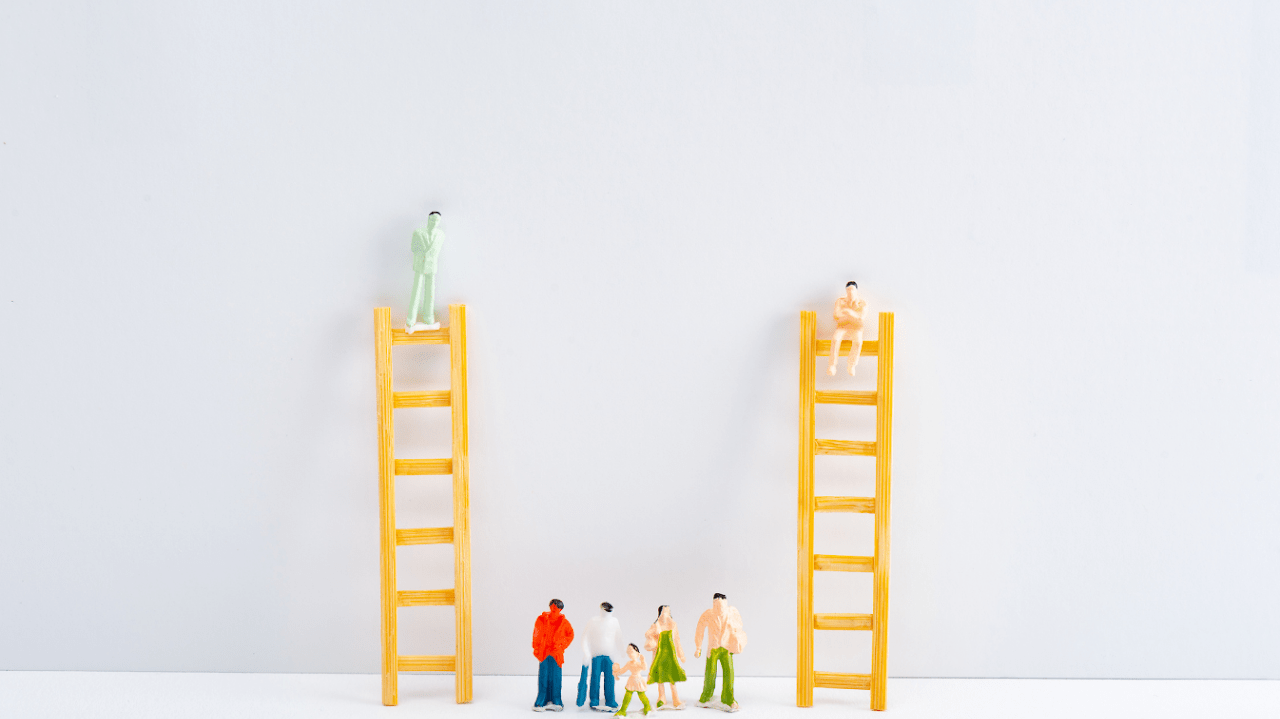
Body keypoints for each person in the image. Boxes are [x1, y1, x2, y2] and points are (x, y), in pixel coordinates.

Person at [691, 593, 747, 713]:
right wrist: (698, 647)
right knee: (710, 672)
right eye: (716, 605)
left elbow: (739, 627)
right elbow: (700, 629)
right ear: (713, 604)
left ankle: (728, 698)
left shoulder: (732, 613)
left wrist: (737, 641)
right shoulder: (709, 614)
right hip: (713, 648)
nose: (719, 608)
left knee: (729, 672)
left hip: (726, 648)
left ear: (725, 603)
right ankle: (706, 696)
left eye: (721, 605)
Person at [577, 602, 626, 712]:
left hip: (610, 656)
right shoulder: (593, 621)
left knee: (610, 678)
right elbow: (584, 637)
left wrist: (622, 651)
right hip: (596, 655)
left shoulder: (614, 621)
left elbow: (619, 637)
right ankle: (594, 699)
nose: (607, 612)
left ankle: (610, 699)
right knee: (595, 677)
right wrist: (586, 652)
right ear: (601, 609)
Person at [532, 599, 575, 712]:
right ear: (550, 606)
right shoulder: (541, 619)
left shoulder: (564, 622)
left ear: (560, 609)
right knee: (544, 675)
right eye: (553, 606)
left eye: (557, 607)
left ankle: (556, 698)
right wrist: (536, 648)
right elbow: (536, 633)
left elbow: (570, 634)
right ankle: (542, 698)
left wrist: (562, 645)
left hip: (556, 653)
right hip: (544, 652)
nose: (554, 609)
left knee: (556, 676)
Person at [406, 211, 445, 333]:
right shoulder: (418, 233)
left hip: (432, 265)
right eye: (432, 220)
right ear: (428, 219)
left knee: (430, 292)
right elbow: (413, 247)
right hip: (420, 264)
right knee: (416, 290)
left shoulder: (441, 235)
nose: (434, 223)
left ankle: (429, 318)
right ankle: (411, 319)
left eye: (437, 221)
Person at [644, 605, 687, 710]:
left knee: (672, 677)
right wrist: (653, 634)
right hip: (659, 656)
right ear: (660, 614)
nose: (665, 615)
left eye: (667, 612)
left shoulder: (672, 625)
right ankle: (661, 697)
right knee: (660, 678)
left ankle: (675, 697)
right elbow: (647, 633)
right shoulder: (656, 625)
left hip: (670, 656)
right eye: (664, 612)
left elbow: (677, 640)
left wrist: (681, 654)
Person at [827, 281, 867, 376]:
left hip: (856, 328)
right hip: (842, 326)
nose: (850, 291)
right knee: (835, 339)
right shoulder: (840, 301)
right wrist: (853, 316)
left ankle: (851, 365)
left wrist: (848, 312)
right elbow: (836, 315)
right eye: (848, 289)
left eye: (852, 289)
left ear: (856, 290)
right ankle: (832, 365)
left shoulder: (862, 303)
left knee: (858, 342)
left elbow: (861, 317)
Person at [612, 643, 652, 716]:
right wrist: (617, 673)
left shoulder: (638, 663)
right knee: (627, 695)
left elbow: (644, 668)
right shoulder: (629, 663)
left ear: (637, 653)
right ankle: (623, 710)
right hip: (631, 681)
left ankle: (647, 707)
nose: (630, 654)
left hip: (639, 680)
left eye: (632, 652)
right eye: (628, 652)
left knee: (642, 695)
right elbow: (623, 670)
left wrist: (643, 661)